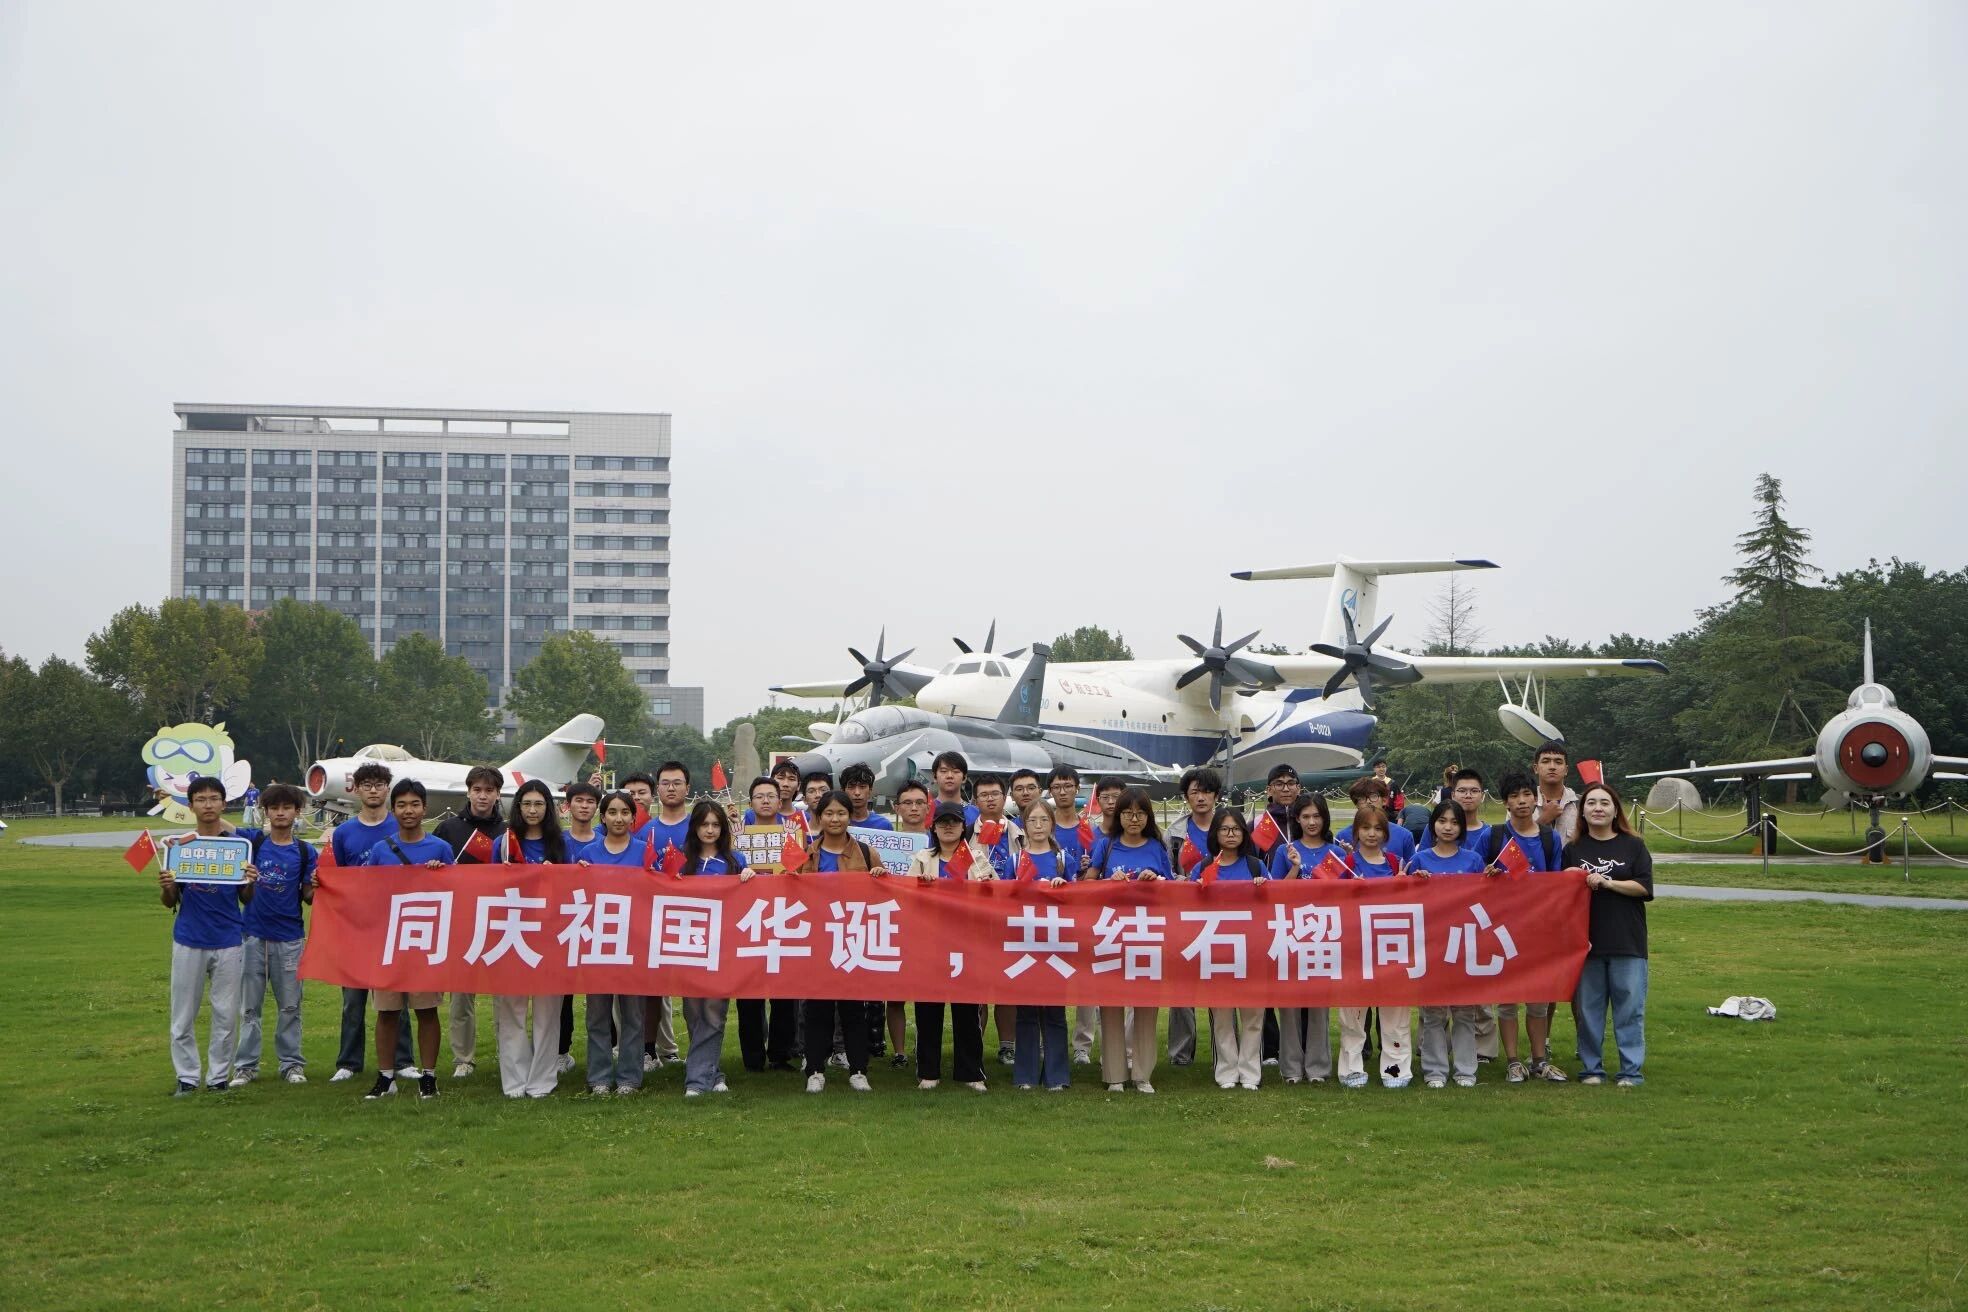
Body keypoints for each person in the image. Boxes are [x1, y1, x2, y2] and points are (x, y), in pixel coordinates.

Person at [159, 775, 259, 1095]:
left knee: (225, 1014)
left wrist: (250, 882)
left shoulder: (237, 847)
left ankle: (218, 1077)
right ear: (191, 806)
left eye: (214, 798)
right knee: (183, 1014)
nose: (208, 805)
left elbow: (246, 898)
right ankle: (187, 1077)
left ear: (224, 804)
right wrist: (167, 886)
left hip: (228, 938)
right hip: (189, 937)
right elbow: (170, 902)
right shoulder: (181, 847)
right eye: (200, 799)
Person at [360, 779, 456, 1101]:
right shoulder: (380, 850)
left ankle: (428, 1076)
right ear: (393, 809)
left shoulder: (439, 849)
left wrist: (439, 873)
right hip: (389, 942)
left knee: (427, 1011)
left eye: (415, 804)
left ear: (424, 808)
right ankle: (386, 1076)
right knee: (386, 1012)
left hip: (425, 942)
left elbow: (457, 892)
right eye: (401, 805)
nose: (408, 811)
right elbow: (366, 892)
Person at [327, 762, 416, 1082]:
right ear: (357, 790)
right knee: (353, 1000)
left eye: (379, 785)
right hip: (355, 927)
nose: (374, 790)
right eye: (367, 785)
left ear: (387, 789)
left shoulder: (399, 826)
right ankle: (349, 1062)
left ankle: (403, 1060)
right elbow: (337, 877)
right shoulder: (344, 833)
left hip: (393, 926)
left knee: (395, 998)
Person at [794, 791, 886, 1093]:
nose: (835, 819)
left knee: (853, 1008)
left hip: (852, 938)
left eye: (841, 813)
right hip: (817, 940)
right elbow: (788, 891)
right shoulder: (806, 853)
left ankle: (858, 1070)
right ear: (819, 817)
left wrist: (880, 876)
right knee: (817, 1008)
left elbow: (884, 895)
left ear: (850, 816)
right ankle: (815, 1070)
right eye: (829, 813)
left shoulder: (866, 852)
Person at [1481, 771, 1569, 1083]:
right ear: (1505, 802)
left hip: (1538, 930)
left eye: (1527, 795)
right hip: (1503, 929)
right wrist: (1488, 874)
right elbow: (1472, 878)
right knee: (1507, 1001)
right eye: (1514, 796)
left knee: (1539, 1000)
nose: (1521, 801)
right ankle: (1513, 1061)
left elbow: (1556, 883)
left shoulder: (1549, 838)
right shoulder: (1493, 836)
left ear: (1536, 798)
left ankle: (1539, 1060)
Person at [1566, 782, 1654, 1087]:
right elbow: (1560, 895)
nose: (1598, 808)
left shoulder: (1633, 846)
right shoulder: (1573, 850)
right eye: (1591, 803)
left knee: (1629, 1009)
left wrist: (1608, 883)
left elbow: (1644, 887)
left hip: (1627, 941)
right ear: (1582, 812)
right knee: (1588, 1011)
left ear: (1616, 810)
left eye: (1605, 803)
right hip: (1586, 943)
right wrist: (1567, 879)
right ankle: (1591, 1069)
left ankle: (1630, 1071)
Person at [231, 783, 315, 1086]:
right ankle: (245, 1067)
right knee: (249, 1008)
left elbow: (309, 897)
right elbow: (221, 829)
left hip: (290, 938)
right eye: (274, 808)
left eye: (287, 808)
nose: (281, 813)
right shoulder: (253, 843)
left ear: (297, 811)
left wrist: (319, 884)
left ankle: (291, 1065)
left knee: (290, 1007)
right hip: (253, 936)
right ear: (265, 811)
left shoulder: (305, 851)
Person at [906, 802, 993, 1091]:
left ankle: (971, 1072)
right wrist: (921, 884)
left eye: (953, 822)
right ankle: (928, 1072)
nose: (947, 826)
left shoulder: (976, 858)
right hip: (930, 944)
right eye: (942, 821)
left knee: (967, 1010)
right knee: (928, 1009)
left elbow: (996, 894)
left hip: (966, 943)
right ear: (933, 826)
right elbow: (906, 896)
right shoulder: (922, 858)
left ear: (962, 827)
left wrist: (985, 884)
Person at [489, 779, 565, 1099]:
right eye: (527, 804)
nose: (533, 810)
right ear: (518, 807)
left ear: (548, 808)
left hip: (550, 936)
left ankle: (542, 1080)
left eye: (539, 804)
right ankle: (515, 1081)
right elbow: (489, 889)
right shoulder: (503, 843)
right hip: (513, 932)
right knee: (512, 1011)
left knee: (548, 1013)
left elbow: (574, 889)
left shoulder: (560, 844)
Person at [1093, 786, 1170, 1094]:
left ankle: (1142, 1074)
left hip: (1147, 933)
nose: (1133, 819)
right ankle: (1114, 1074)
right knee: (1111, 1004)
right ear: (1119, 816)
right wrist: (1107, 882)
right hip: (1111, 933)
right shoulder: (1106, 845)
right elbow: (1086, 883)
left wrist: (1156, 879)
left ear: (1148, 817)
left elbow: (1173, 888)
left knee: (1146, 1006)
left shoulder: (1157, 847)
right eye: (1127, 813)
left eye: (1139, 813)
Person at [573, 790, 650, 1095]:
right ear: (602, 817)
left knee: (633, 1015)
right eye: (613, 812)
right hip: (599, 945)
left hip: (635, 943)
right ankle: (599, 1078)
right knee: (597, 1015)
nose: (619, 818)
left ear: (633, 817)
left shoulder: (645, 851)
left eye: (625, 812)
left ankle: (630, 1077)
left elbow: (659, 892)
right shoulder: (588, 854)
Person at [434, 765, 508, 1081]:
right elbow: (433, 872)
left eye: (489, 790)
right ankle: (463, 1058)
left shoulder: (508, 831)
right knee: (461, 996)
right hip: (461, 922)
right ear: (468, 792)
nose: (482, 796)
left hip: (500, 923)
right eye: (477, 789)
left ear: (497, 794)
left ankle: (508, 1052)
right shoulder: (448, 829)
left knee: (505, 995)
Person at [1409, 801, 1489, 1089]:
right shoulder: (1420, 860)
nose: (1448, 827)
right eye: (1442, 821)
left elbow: (1485, 899)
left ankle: (1466, 1069)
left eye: (1454, 822)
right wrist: (1414, 882)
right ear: (1433, 825)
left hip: (1464, 943)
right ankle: (1435, 1070)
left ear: (1462, 827)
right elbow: (1406, 901)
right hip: (1431, 944)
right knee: (1433, 1012)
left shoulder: (1473, 860)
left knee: (1464, 1011)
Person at [1270, 793, 1345, 1084]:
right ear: (1296, 820)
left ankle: (1318, 1068)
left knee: (1319, 1006)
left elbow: (1345, 894)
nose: (1312, 822)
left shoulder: (1336, 851)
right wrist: (1293, 867)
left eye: (1316, 816)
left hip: (1324, 935)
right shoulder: (1285, 850)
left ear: (1324, 818)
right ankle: (1290, 1068)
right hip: (1290, 933)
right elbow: (1275, 894)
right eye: (1305, 817)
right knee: (1289, 1004)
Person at [1335, 802, 1411, 1089]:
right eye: (1365, 827)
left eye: (1378, 828)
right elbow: (1327, 898)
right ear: (1355, 831)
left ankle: (1395, 1069)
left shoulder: (1395, 863)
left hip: (1391, 945)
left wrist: (1405, 884)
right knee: (1353, 1014)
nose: (1372, 834)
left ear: (1386, 833)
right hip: (1355, 947)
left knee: (1395, 1013)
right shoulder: (1346, 864)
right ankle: (1351, 1067)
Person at [677, 799, 746, 1097]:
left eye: (716, 824)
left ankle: (697, 1081)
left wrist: (749, 877)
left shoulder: (735, 861)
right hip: (688, 946)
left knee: (714, 1013)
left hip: (723, 948)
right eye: (704, 824)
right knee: (693, 1012)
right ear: (694, 827)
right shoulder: (682, 861)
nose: (710, 830)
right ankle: (712, 1072)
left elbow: (750, 896)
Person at [1197, 810, 1268, 1090]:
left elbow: (1275, 902)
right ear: (1215, 833)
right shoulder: (1204, 867)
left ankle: (1250, 1073)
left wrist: (1264, 887)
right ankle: (1226, 1071)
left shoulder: (1255, 866)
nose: (1230, 834)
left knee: (1253, 1016)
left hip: (1252, 952)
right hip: (1216, 953)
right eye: (1224, 829)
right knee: (1222, 1017)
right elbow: (1186, 904)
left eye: (1236, 829)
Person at [735, 776, 801, 1073]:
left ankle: (780, 1054)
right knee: (748, 991)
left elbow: (803, 871)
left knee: (784, 990)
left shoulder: (793, 833)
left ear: (780, 800)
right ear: (751, 802)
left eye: (770, 796)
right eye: (759, 796)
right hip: (747, 919)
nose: (765, 800)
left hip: (783, 917)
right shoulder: (737, 834)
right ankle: (752, 1057)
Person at [1011, 802, 1076, 1092]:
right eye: (1032, 820)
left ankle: (1057, 1075)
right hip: (1024, 942)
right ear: (1024, 825)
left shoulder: (1064, 858)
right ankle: (1025, 1074)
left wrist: (1065, 887)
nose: (1038, 826)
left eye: (1043, 820)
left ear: (1052, 824)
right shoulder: (1015, 860)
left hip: (1055, 943)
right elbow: (1002, 898)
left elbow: (1080, 899)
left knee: (1054, 1012)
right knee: (1025, 1011)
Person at [636, 761, 695, 1076]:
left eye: (677, 783)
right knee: (651, 989)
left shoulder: (700, 826)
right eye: (665, 783)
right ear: (657, 788)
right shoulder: (645, 831)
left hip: (694, 919)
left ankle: (699, 1052)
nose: (671, 788)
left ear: (688, 788)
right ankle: (648, 1051)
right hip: (653, 919)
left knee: (695, 990)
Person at [1164, 767, 1223, 1069]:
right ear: (1186, 797)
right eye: (1194, 792)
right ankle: (1180, 1053)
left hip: (1223, 918)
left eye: (1206, 792)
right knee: (1181, 985)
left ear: (1216, 795)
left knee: (1223, 984)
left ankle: (1224, 1051)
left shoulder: (1229, 826)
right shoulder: (1175, 833)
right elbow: (1165, 872)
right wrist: (1183, 882)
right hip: (1184, 916)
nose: (1201, 798)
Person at [1444, 767, 1498, 1062]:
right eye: (1462, 790)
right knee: (1439, 985)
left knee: (1478, 985)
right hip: (1441, 920)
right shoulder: (1438, 825)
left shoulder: (1490, 833)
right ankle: (1435, 1045)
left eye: (1473, 791)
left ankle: (1482, 1048)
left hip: (1477, 919)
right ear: (1452, 794)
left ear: (1482, 795)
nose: (1468, 796)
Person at [971, 773, 1025, 1064]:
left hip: (1011, 919)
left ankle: (1008, 1045)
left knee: (1008, 985)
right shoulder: (967, 833)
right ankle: (974, 1044)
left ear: (1005, 797)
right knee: (977, 987)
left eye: (995, 794)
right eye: (984, 794)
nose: (990, 799)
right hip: (976, 920)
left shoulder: (1019, 833)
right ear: (975, 800)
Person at [1046, 765, 1099, 1065]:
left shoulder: (1088, 828)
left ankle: (1082, 1044)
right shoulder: (1043, 825)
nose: (1062, 791)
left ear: (1077, 788)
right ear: (1050, 791)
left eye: (1068, 786)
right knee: (1050, 974)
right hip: (1051, 911)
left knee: (1086, 978)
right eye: (1057, 787)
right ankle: (1048, 1041)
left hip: (1084, 910)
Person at [879, 779, 932, 1066]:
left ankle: (927, 1047)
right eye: (907, 803)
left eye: (919, 803)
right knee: (895, 993)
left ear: (928, 807)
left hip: (930, 926)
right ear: (896, 807)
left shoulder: (939, 840)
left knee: (928, 993)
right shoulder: (883, 843)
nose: (914, 808)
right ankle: (899, 1052)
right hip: (895, 921)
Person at [555, 780, 603, 1071]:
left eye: (590, 801)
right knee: (563, 992)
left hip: (600, 924)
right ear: (567, 805)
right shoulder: (557, 841)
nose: (584, 806)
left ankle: (610, 1045)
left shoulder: (606, 840)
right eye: (579, 801)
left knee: (604, 989)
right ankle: (561, 1051)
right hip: (565, 924)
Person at [1338, 775, 1417, 864]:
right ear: (1356, 804)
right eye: (1362, 798)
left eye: (1373, 796)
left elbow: (1411, 869)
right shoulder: (1342, 837)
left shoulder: (1404, 836)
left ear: (1384, 800)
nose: (1368, 801)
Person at [1533, 740, 1580, 845]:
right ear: (1536, 768)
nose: (1552, 767)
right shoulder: (1523, 804)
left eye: (1558, 762)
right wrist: (1543, 820)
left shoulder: (1582, 804)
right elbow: (1512, 845)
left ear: (1566, 770)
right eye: (1546, 761)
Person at [930, 750, 980, 828]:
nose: (949, 776)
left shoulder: (977, 814)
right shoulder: (925, 811)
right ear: (934, 777)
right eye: (944, 771)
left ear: (964, 778)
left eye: (956, 771)